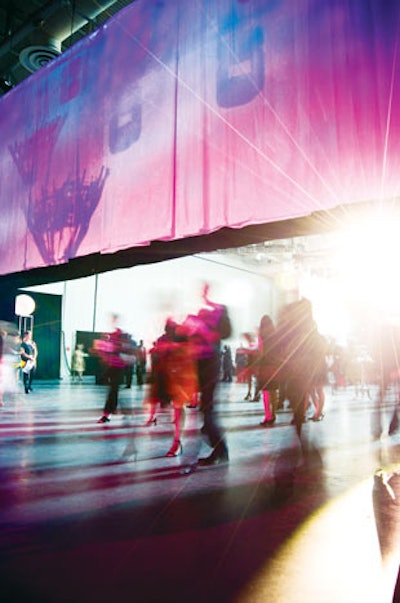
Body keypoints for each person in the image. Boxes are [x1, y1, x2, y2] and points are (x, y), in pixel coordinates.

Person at [185, 283, 231, 466]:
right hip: (201, 366)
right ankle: (219, 449)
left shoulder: (218, 315)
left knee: (208, 411)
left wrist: (205, 330)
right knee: (206, 412)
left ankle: (221, 451)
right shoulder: (199, 318)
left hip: (210, 366)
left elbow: (224, 328)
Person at [94, 315, 133, 423]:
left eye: (114, 320)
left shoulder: (120, 335)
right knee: (113, 390)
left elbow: (124, 349)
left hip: (118, 367)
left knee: (113, 390)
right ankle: (115, 411)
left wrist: (112, 348)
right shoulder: (112, 335)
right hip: (112, 366)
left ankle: (108, 414)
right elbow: (105, 350)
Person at [256, 315, 280, 426]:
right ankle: (274, 414)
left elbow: (261, 351)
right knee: (274, 391)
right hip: (275, 365)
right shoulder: (276, 335)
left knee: (266, 392)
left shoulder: (261, 335)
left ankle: (268, 416)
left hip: (265, 365)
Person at [20, 330, 38, 394]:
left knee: (33, 372)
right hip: (25, 360)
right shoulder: (23, 343)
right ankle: (26, 388)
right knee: (26, 374)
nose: (30, 336)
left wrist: (34, 358)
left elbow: (35, 351)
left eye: (31, 335)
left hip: (32, 360)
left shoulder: (32, 343)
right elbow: (22, 352)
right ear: (26, 335)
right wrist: (29, 357)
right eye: (29, 335)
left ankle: (30, 385)